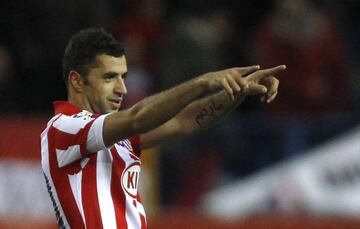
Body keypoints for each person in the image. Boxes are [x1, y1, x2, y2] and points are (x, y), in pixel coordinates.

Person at [40, 27, 286, 229]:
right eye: (109, 77)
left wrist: (237, 89)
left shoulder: (116, 136)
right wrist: (203, 82)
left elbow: (185, 121)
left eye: (123, 77)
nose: (121, 89)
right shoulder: (64, 129)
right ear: (76, 80)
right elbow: (137, 117)